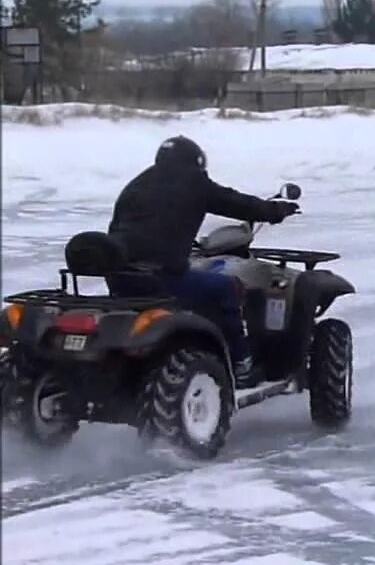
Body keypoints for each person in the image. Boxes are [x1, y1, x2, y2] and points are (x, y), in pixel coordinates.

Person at [107, 136, 298, 389]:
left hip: (122, 277)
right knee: (226, 287)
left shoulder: (137, 184)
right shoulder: (193, 181)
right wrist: (275, 211)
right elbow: (235, 203)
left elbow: (121, 227)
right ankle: (241, 363)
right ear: (196, 161)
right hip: (163, 278)